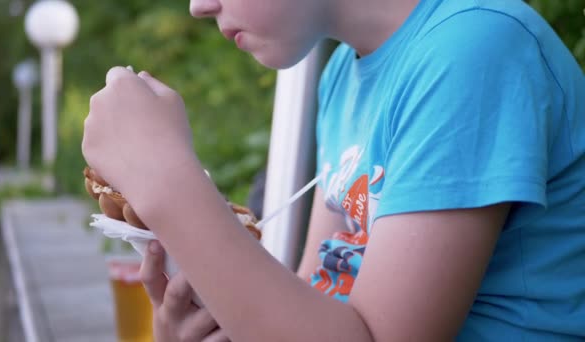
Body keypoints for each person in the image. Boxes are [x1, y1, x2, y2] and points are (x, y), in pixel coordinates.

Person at [82, 0, 585, 340]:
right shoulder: (344, 76)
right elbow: (319, 303)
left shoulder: (473, 50)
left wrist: (168, 181)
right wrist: (221, 320)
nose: (198, 6)